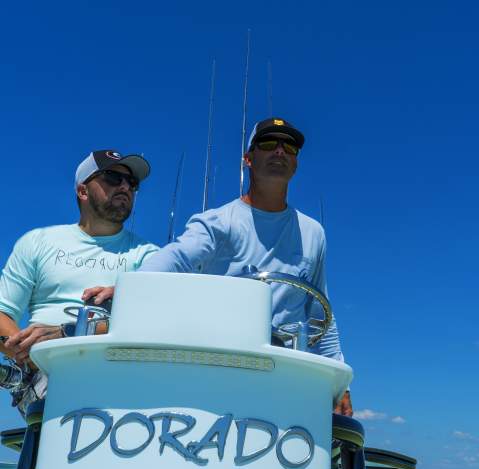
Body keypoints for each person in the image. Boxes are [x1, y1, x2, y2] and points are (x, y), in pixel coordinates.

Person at [84, 120, 353, 416]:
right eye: (267, 144)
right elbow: (176, 258)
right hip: (223, 368)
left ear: (296, 163)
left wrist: (341, 384)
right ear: (248, 159)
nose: (279, 151)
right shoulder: (218, 222)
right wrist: (130, 288)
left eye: (289, 147)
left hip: (288, 373)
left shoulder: (313, 232)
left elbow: (320, 313)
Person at [0, 149, 159, 412]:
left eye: (132, 183)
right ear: (83, 191)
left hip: (120, 366)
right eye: (112, 177)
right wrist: (33, 354)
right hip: (45, 375)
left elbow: (155, 317)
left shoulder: (149, 256)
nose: (124, 187)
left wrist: (68, 334)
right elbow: (3, 312)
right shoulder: (37, 242)